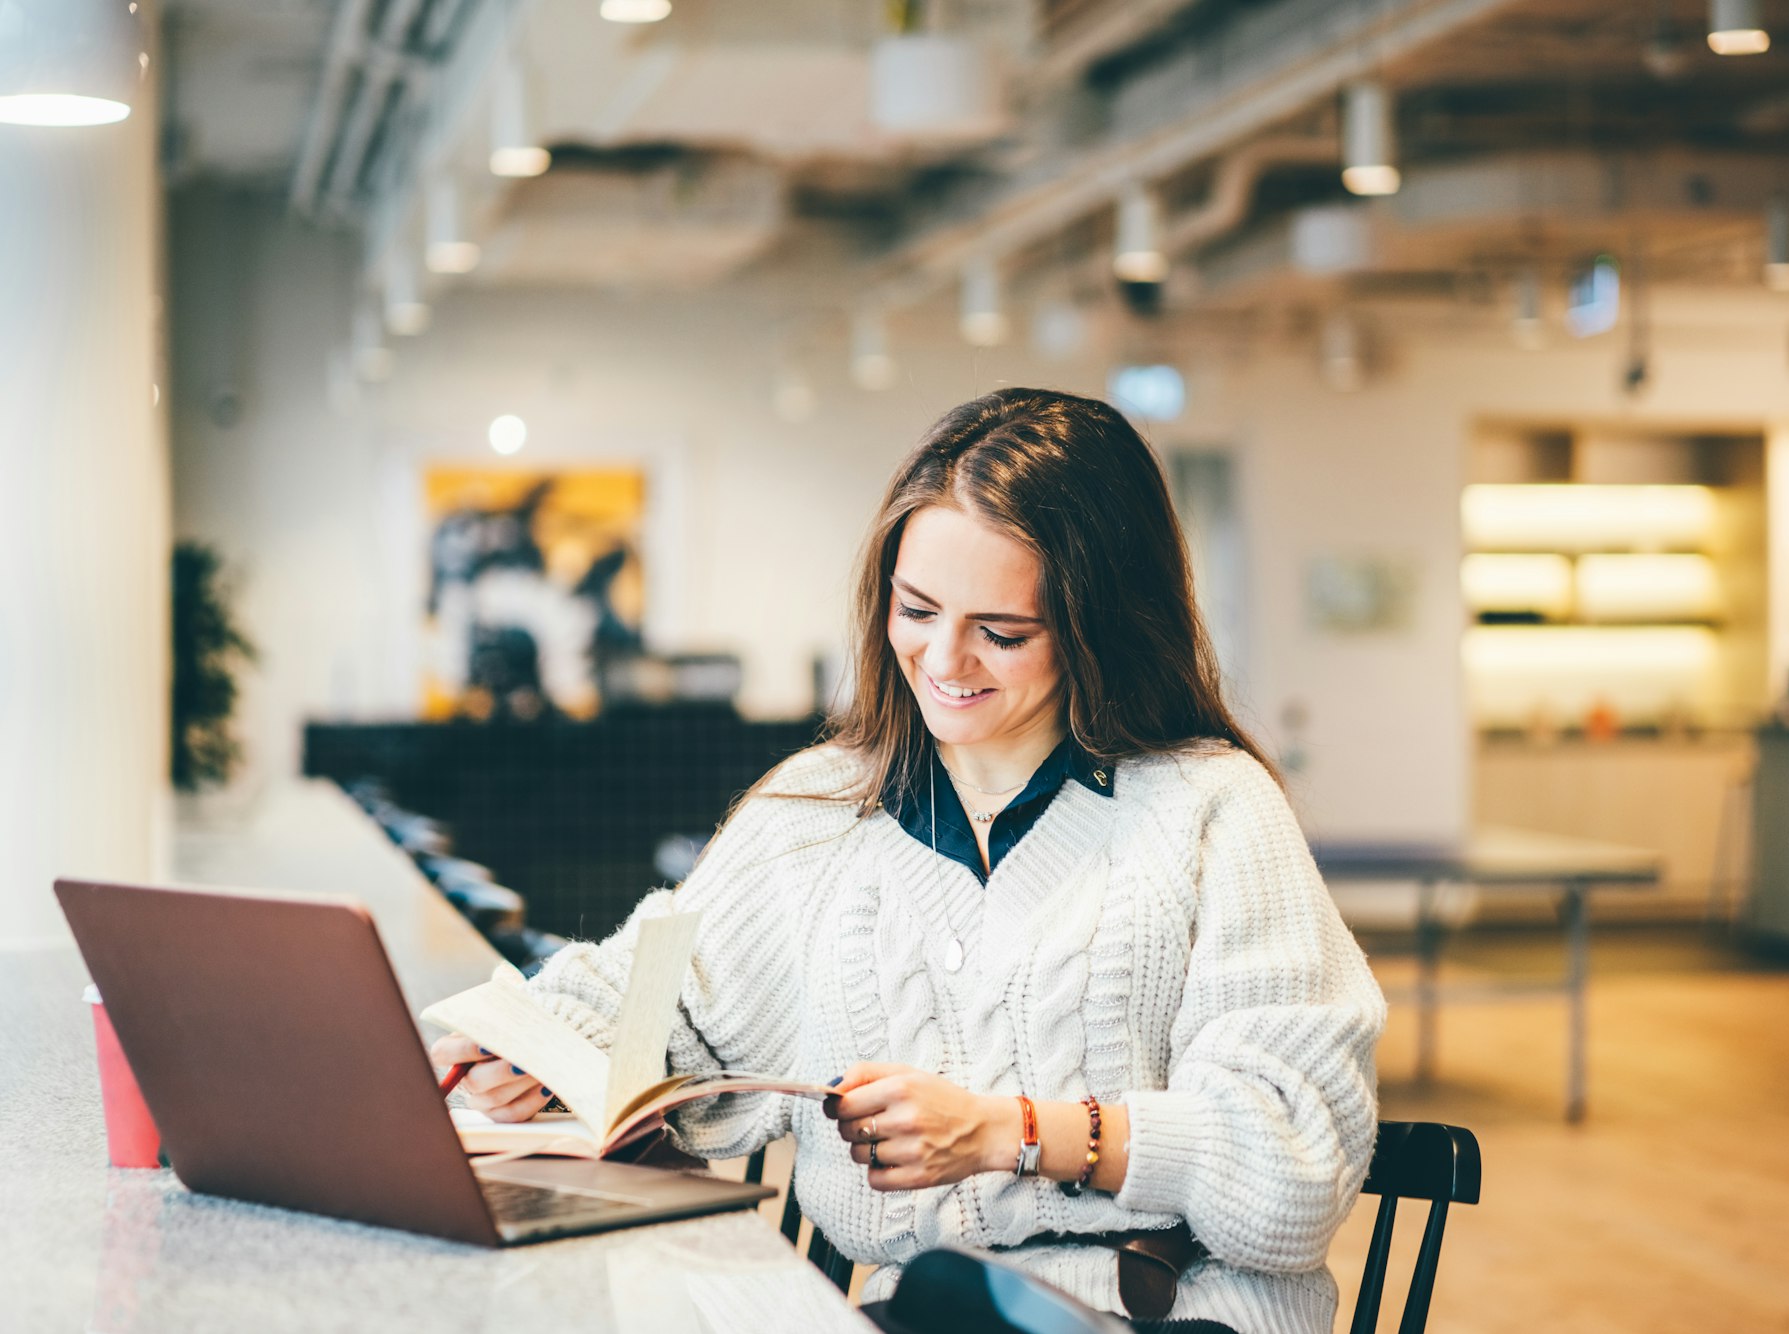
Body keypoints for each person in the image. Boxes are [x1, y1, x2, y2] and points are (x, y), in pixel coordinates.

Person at [431, 389, 1387, 1332]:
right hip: (928, 1312)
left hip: (1171, 1314)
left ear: (1100, 630)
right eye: (916, 609)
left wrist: (1009, 1133)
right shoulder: (817, 813)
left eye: (1003, 633)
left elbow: (1291, 1175)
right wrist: (536, 1053)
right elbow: (655, 1004)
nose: (943, 660)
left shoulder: (1212, 812)